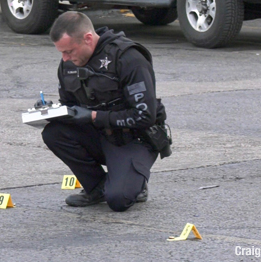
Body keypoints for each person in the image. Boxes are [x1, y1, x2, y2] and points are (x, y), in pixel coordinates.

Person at [41, 11, 168, 212]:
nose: (65, 58)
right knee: (54, 132)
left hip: (134, 138)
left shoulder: (128, 58)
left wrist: (94, 116)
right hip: (100, 134)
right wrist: (51, 112)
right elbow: (69, 104)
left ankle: (134, 183)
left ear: (88, 39)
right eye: (62, 53)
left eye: (69, 51)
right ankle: (96, 187)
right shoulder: (68, 65)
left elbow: (145, 116)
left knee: (118, 200)